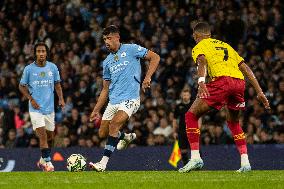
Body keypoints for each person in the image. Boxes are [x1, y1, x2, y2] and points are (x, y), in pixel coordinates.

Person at [179, 22, 270, 173]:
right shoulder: (226, 45)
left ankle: (195, 158)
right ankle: (245, 162)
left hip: (222, 81)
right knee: (233, 122)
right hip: (239, 83)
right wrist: (260, 91)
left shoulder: (199, 46)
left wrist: (201, 81)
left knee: (190, 115)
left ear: (196, 36)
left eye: (194, 36)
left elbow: (201, 61)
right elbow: (245, 67)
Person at [89, 25, 160, 172]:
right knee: (103, 133)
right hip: (113, 100)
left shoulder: (131, 49)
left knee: (114, 125)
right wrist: (96, 110)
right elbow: (105, 89)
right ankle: (125, 137)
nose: (106, 42)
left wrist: (147, 77)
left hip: (130, 98)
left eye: (109, 38)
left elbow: (155, 57)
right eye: (104, 40)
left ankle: (102, 163)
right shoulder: (107, 62)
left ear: (117, 37)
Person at [19, 42, 65, 172]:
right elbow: (21, 86)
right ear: (35, 53)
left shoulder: (53, 67)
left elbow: (57, 85)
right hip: (35, 109)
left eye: (43, 51)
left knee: (51, 138)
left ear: (46, 53)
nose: (41, 54)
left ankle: (42, 160)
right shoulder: (28, 69)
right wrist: (31, 99)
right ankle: (49, 164)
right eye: (38, 51)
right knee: (43, 136)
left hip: (49, 109)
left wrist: (61, 98)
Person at [173, 88, 194, 166]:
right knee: (183, 149)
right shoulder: (178, 106)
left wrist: (199, 127)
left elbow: (199, 117)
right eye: (184, 95)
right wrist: (174, 131)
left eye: (187, 95)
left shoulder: (193, 105)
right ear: (182, 96)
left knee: (194, 148)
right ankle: (185, 164)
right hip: (182, 130)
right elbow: (174, 120)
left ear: (190, 96)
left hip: (192, 129)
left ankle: (198, 166)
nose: (185, 96)